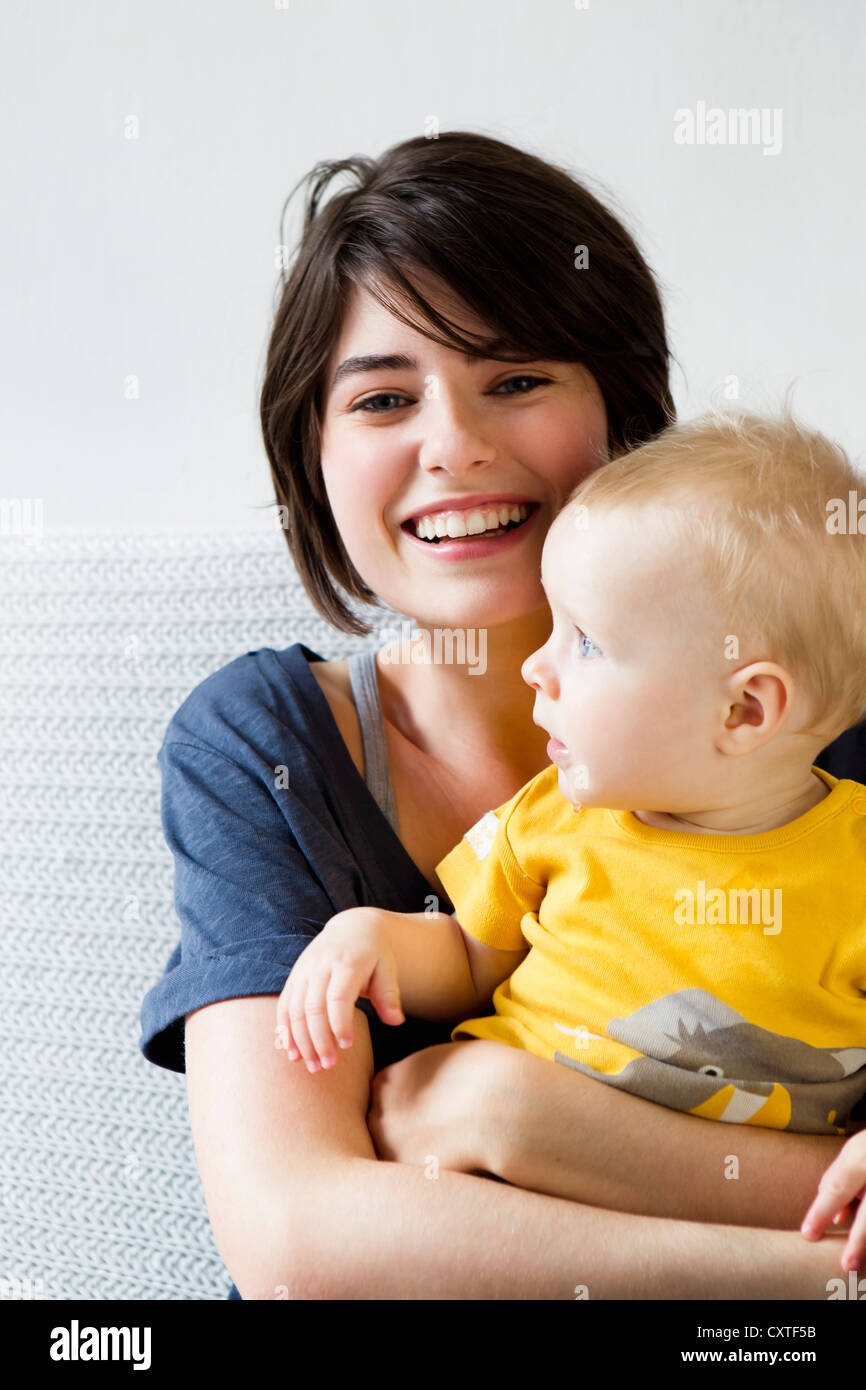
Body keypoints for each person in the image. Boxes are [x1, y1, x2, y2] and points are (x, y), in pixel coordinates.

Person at [139, 130, 865, 1299]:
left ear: (623, 420)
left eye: (516, 380)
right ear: (311, 458)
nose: (455, 446)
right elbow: (296, 1245)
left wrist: (513, 1116)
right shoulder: (260, 746)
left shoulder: (803, 706)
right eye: (381, 397)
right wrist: (812, 1265)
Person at [279, 409, 866, 1273]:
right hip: (505, 1231)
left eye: (584, 641)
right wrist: (372, 939)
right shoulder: (554, 813)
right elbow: (471, 958)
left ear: (745, 709)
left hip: (709, 1236)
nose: (535, 667)